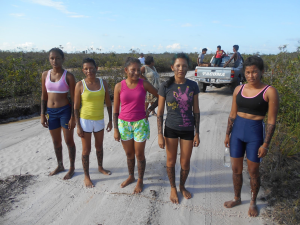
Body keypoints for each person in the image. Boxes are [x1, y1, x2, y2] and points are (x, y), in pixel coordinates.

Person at [223, 56, 279, 217]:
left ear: (262, 71)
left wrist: (265, 144)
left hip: (255, 134)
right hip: (237, 133)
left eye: (254, 72)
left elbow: (271, 121)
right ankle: (237, 198)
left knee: (254, 171)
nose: (251, 75)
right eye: (248, 72)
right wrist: (227, 134)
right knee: (236, 169)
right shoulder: (238, 90)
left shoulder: (270, 91)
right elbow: (232, 114)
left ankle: (253, 201)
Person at [157, 53, 200, 204]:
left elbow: (196, 111)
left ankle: (182, 186)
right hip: (171, 129)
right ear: (172, 67)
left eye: (184, 66)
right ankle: (173, 187)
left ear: (188, 68)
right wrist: (160, 134)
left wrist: (197, 133)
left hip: (188, 129)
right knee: (170, 160)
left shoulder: (193, 85)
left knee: (185, 162)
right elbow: (160, 112)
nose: (181, 68)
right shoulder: (165, 86)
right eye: (178, 65)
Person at [113, 57, 158, 194]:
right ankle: (131, 176)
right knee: (129, 153)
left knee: (139, 154)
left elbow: (160, 96)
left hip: (140, 124)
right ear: (126, 70)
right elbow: (115, 110)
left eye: (138, 70)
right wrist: (116, 129)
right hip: (124, 124)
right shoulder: (119, 86)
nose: (136, 73)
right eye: (133, 70)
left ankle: (140, 180)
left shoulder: (144, 84)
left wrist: (150, 109)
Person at [74, 58, 112, 188]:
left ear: (97, 68)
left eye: (91, 68)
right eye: (86, 68)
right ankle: (86, 176)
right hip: (85, 121)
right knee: (86, 149)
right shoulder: (80, 85)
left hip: (99, 119)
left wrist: (111, 120)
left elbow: (108, 103)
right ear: (83, 70)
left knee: (99, 146)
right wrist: (78, 126)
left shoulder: (103, 83)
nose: (89, 71)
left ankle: (100, 167)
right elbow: (76, 107)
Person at [41, 48, 76, 180]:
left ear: (63, 59)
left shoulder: (68, 76)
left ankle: (72, 167)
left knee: (68, 140)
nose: (55, 61)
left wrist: (73, 117)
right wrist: (42, 114)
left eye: (57, 58)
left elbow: (74, 99)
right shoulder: (45, 75)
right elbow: (43, 96)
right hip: (51, 112)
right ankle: (60, 165)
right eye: (52, 58)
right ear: (49, 59)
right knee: (56, 141)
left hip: (65, 111)